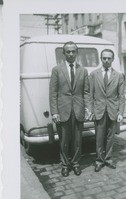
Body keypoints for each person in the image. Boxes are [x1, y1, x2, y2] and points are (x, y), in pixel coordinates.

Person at [49, 41, 90, 177]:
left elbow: (86, 92)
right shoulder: (57, 70)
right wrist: (54, 112)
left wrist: (88, 108)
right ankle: (65, 165)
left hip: (78, 110)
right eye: (68, 51)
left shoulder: (83, 70)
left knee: (78, 140)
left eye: (73, 51)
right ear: (64, 53)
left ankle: (76, 164)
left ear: (76, 53)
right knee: (64, 140)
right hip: (63, 111)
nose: (71, 54)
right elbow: (53, 93)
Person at [89, 49, 125, 172]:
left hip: (112, 111)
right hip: (99, 110)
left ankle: (109, 159)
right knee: (99, 137)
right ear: (101, 59)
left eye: (109, 58)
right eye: (104, 58)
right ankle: (99, 160)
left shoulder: (118, 75)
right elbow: (90, 94)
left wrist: (120, 112)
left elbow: (121, 96)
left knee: (110, 137)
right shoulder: (94, 74)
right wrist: (91, 110)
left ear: (112, 59)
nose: (106, 60)